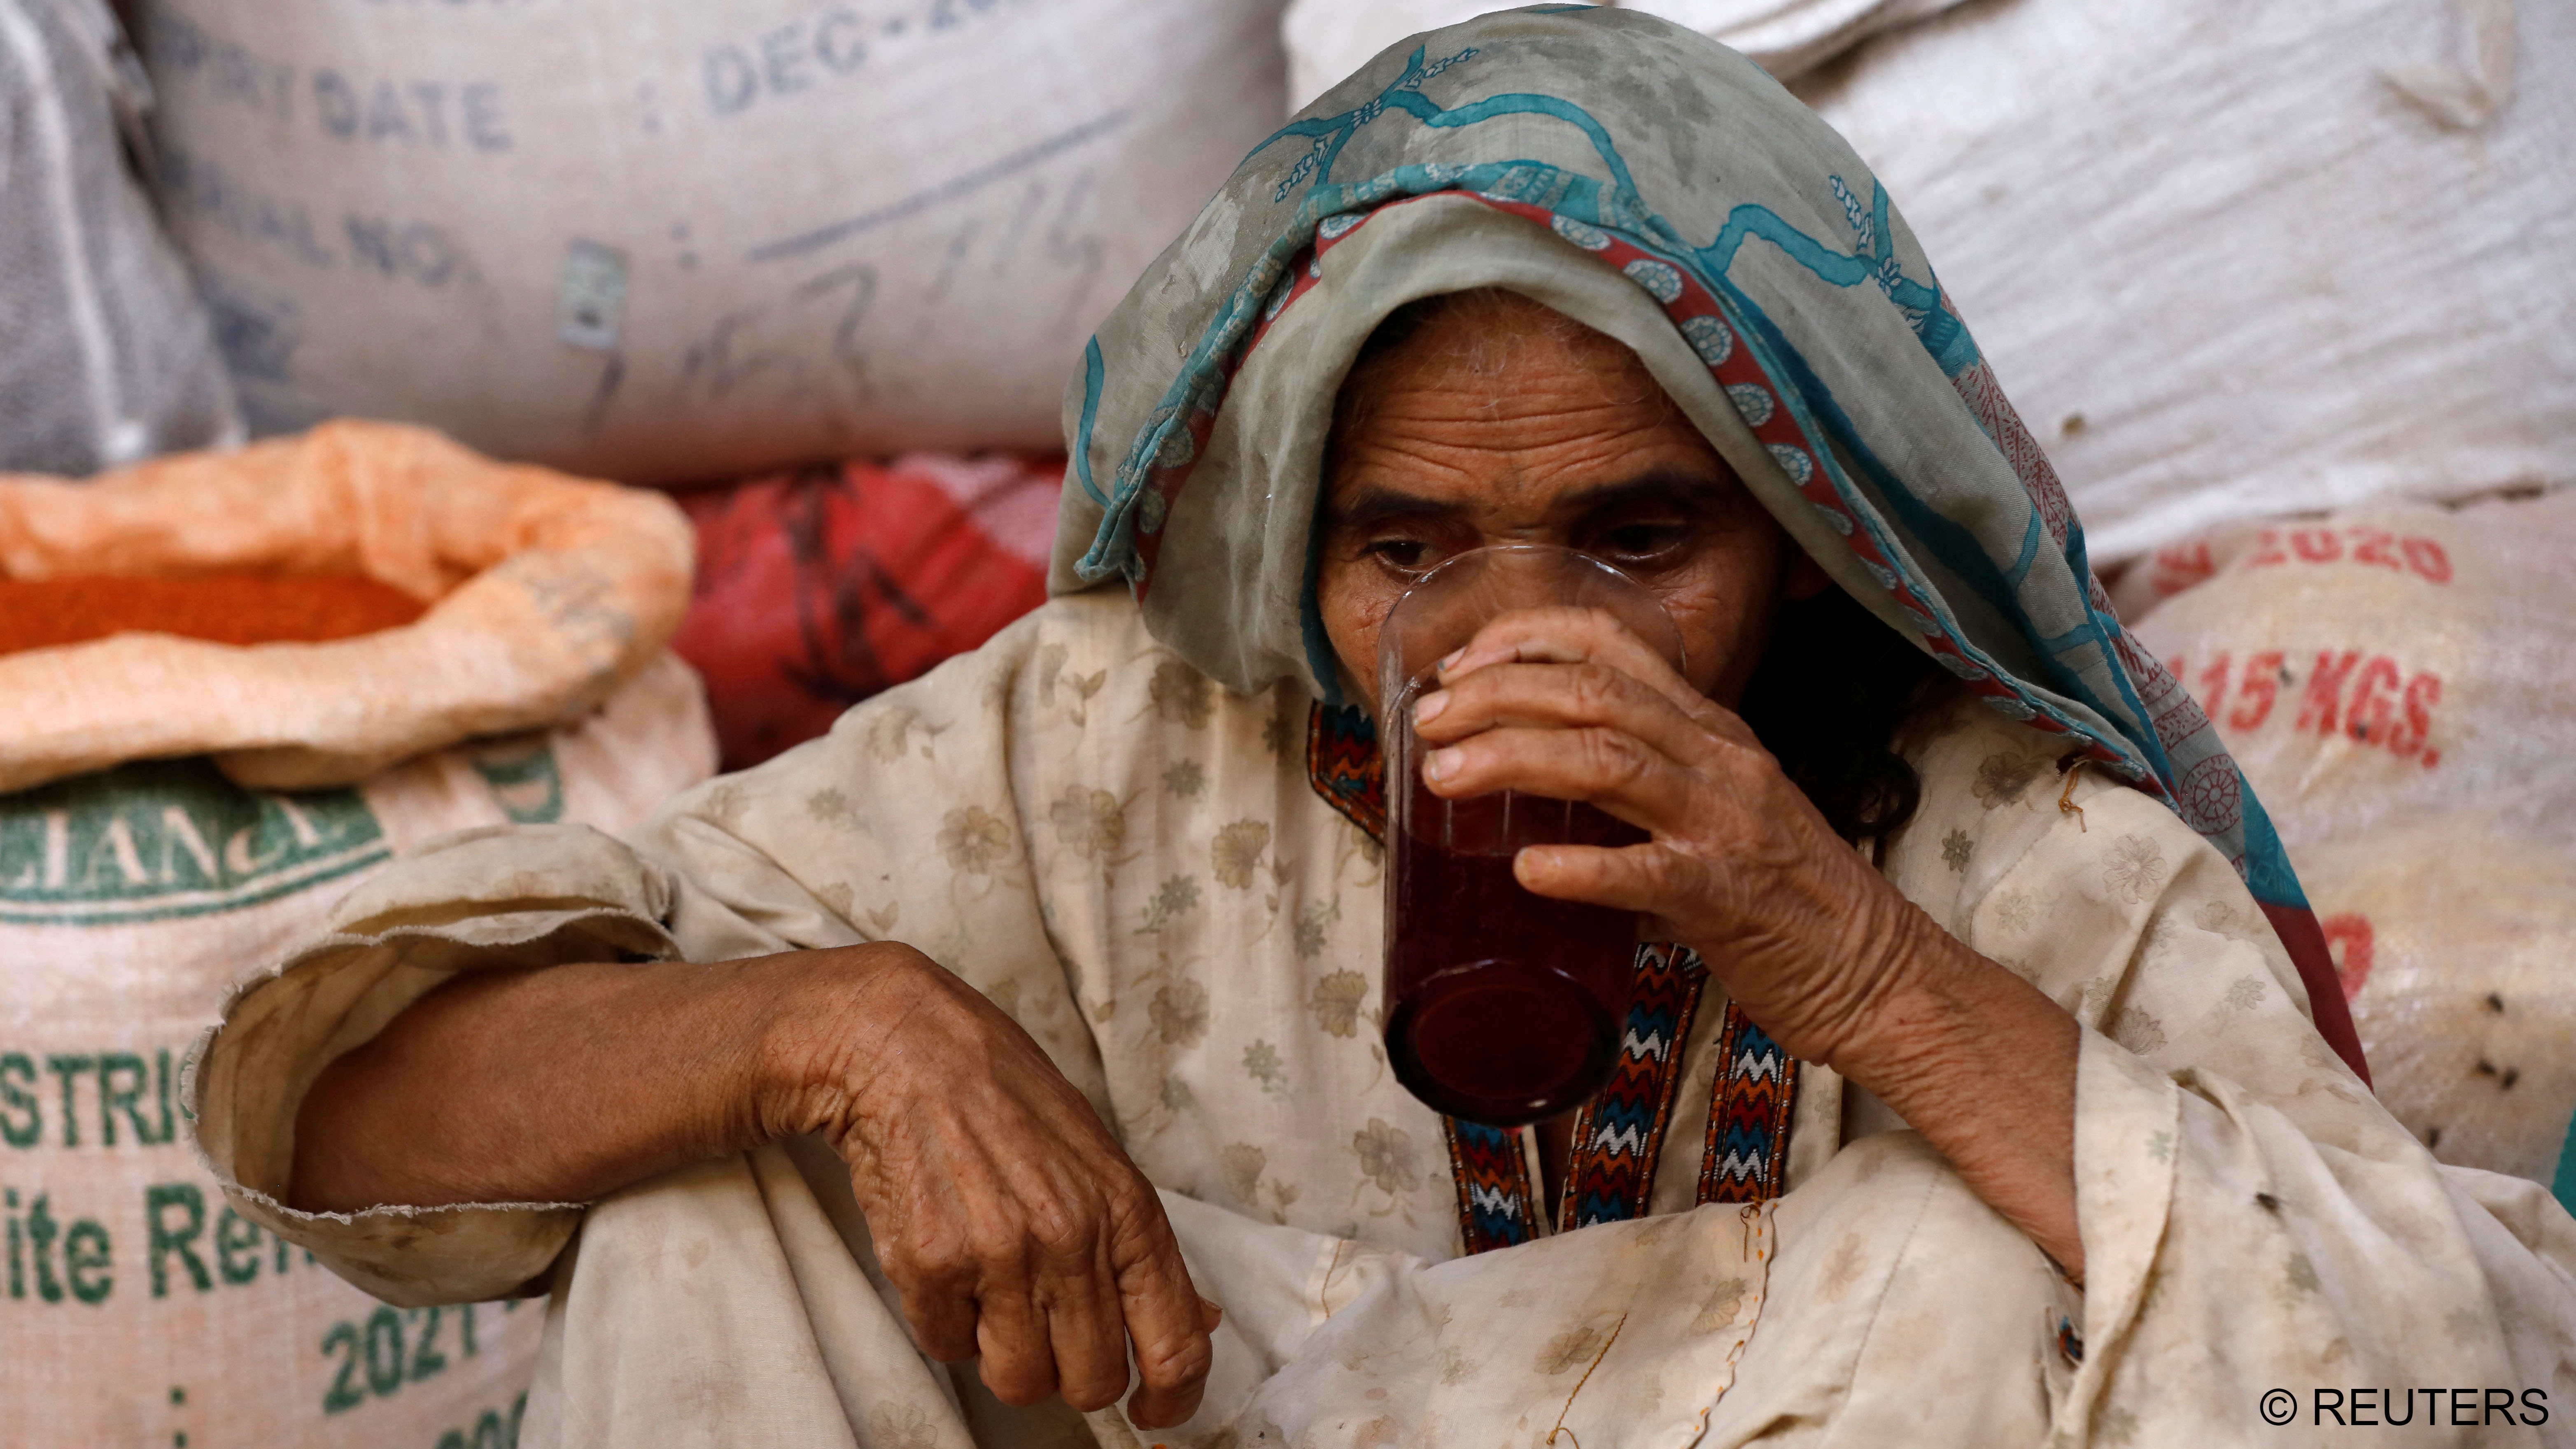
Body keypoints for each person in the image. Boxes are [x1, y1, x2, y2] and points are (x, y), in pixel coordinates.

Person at [192, 9, 2575, 1447]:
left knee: (2000, 1260)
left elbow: (2465, 1385)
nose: (1500, 633)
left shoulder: (1999, 834)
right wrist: (842, 1026)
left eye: (1638, 543)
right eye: (1406, 548)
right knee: (720, 1164)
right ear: (1285, 549)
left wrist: (1842, 965)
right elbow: (355, 1091)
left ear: (1800, 527)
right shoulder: (1094, 757)